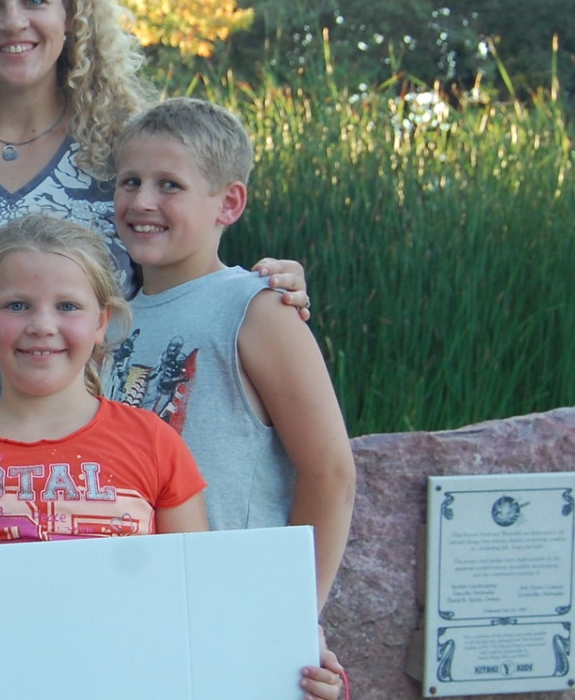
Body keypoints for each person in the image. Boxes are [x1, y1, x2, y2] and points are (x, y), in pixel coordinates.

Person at [0, 215, 346, 700]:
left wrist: (287, 652)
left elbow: (195, 612)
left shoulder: (155, 444)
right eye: (17, 304)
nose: (42, 326)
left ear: (101, 322)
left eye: (67, 306)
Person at [0, 0, 312, 427]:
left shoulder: (129, 145)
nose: (13, 21)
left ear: (73, 15)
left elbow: (190, 280)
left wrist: (262, 289)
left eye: (35, 0)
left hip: (101, 465)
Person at [101, 97, 356, 607]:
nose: (142, 201)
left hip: (229, 601)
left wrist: (298, 613)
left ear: (229, 203)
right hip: (130, 598)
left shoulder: (257, 309)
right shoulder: (109, 322)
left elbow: (330, 472)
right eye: (130, 181)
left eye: (169, 185)